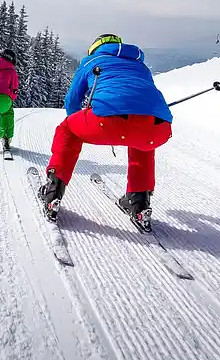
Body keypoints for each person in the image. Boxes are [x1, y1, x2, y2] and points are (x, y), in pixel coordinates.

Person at [38, 34, 173, 231]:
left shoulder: (92, 61)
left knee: (67, 128)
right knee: (142, 140)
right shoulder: (140, 66)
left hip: (108, 120)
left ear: (95, 48)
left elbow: (72, 102)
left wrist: (84, 124)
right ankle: (139, 203)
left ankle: (53, 192)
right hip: (159, 128)